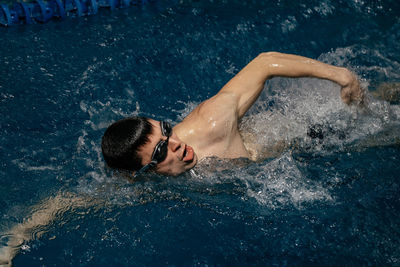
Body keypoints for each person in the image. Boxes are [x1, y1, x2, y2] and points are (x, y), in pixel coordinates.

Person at [102, 52, 363, 177]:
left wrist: (341, 76)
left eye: (167, 130)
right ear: (144, 171)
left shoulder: (211, 123)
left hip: (316, 134)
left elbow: (264, 63)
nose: (177, 144)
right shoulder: (140, 179)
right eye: (161, 152)